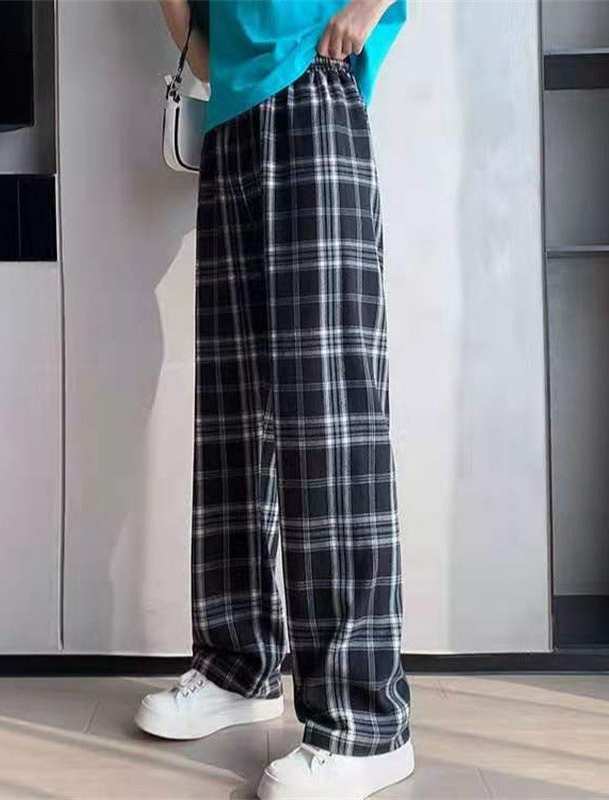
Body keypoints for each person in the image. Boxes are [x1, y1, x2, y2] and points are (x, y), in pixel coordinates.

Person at [135, 1, 412, 797]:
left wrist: (366, 8)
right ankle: (238, 665)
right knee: (233, 406)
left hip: (315, 83)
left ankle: (365, 723)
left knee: (328, 414)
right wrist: (197, 43)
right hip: (229, 113)